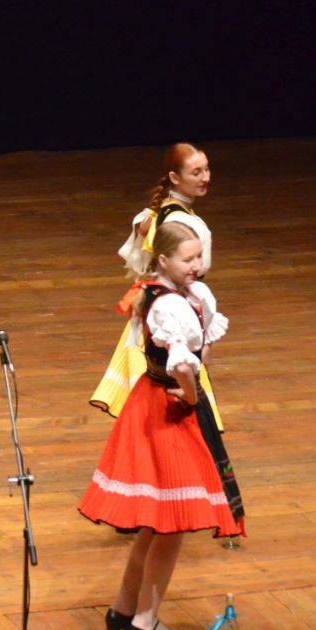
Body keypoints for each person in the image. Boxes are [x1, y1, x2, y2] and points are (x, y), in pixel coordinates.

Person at [77, 223, 245, 630]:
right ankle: (146, 620)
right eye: (188, 259)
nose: (197, 265)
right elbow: (184, 365)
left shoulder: (179, 294)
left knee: (156, 522)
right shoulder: (169, 304)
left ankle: (124, 606)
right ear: (164, 260)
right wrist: (191, 395)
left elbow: (199, 349)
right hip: (166, 408)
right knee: (171, 523)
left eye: (199, 256)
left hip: (154, 402)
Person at [90, 142, 225, 427]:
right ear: (175, 177)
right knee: (165, 397)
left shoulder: (158, 212)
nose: (205, 177)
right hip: (172, 309)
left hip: (161, 301)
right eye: (196, 172)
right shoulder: (179, 221)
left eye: (207, 169)